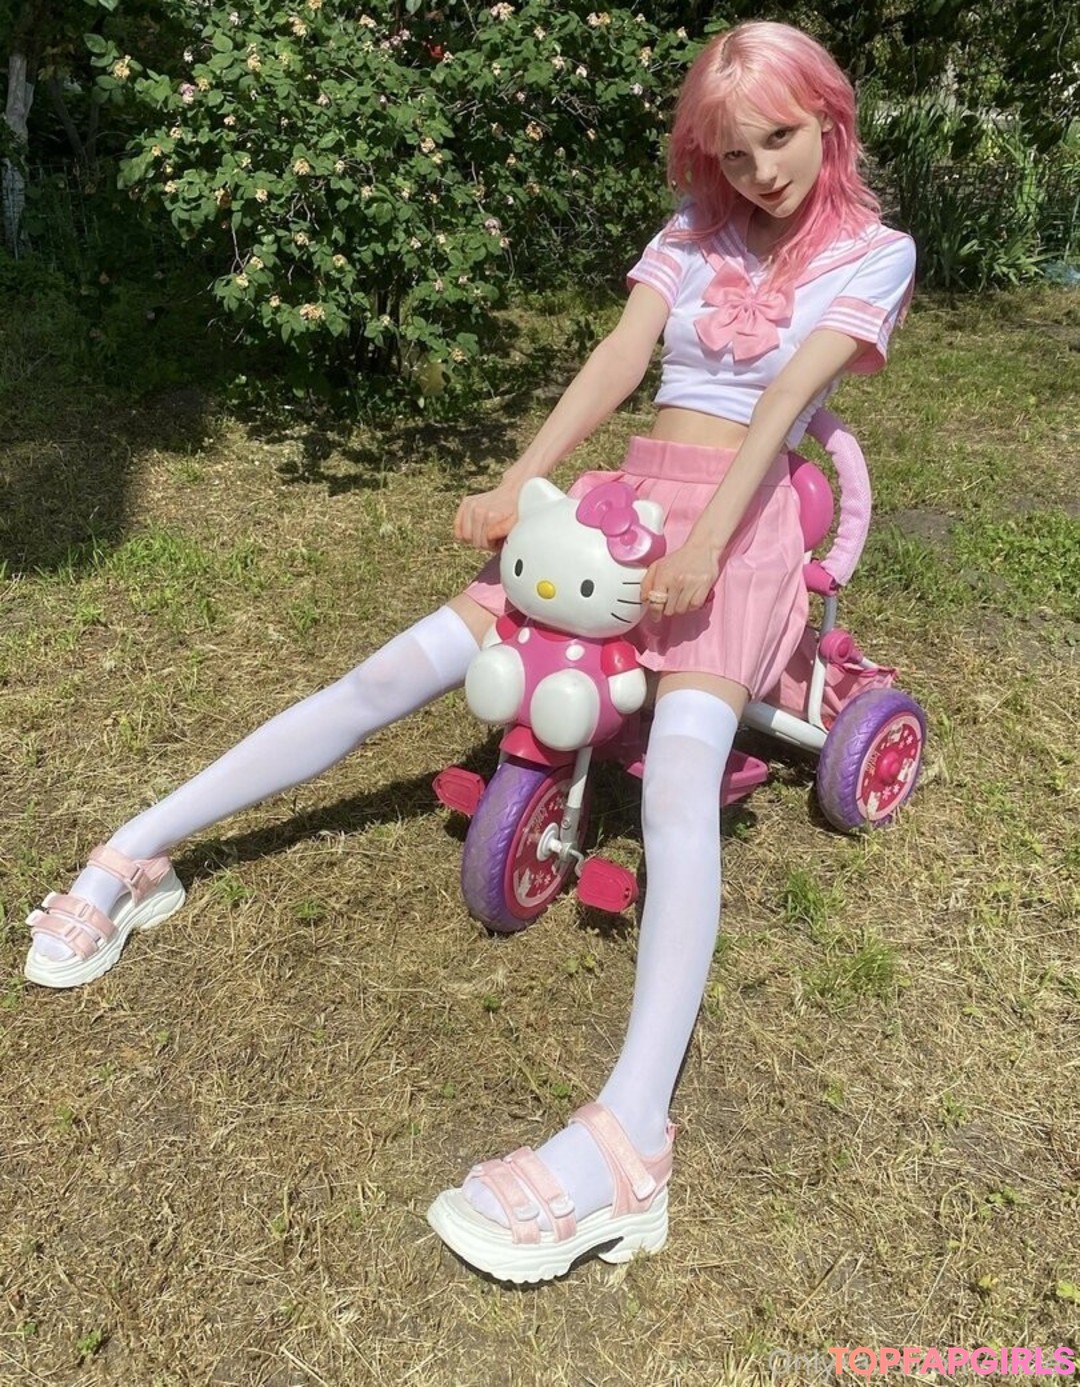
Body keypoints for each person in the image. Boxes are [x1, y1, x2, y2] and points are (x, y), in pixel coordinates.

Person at [24, 21, 915, 1283]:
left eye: (779, 137)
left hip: (745, 524)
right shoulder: (692, 231)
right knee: (393, 671)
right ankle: (139, 849)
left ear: (827, 116)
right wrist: (522, 482)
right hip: (619, 508)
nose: (759, 170)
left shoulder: (875, 253)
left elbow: (781, 407)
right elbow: (621, 356)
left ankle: (632, 1142)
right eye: (732, 151)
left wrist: (711, 546)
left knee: (679, 778)